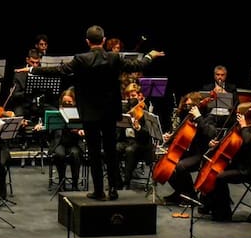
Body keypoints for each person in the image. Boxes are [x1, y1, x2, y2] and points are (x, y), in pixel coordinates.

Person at [31, 25, 164, 200]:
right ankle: (114, 190)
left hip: (90, 114)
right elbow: (136, 65)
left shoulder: (80, 59)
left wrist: (33, 69)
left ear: (87, 41)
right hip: (110, 112)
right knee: (111, 151)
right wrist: (150, 56)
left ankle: (99, 191)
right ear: (103, 40)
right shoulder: (114, 58)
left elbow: (58, 70)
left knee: (94, 153)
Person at [198, 103, 251, 221]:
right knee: (212, 173)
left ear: (246, 115)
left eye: (239, 113)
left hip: (247, 169)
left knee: (219, 177)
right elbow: (229, 143)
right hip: (235, 165)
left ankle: (224, 213)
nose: (236, 115)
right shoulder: (236, 127)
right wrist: (217, 144)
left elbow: (248, 141)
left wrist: (244, 126)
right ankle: (210, 206)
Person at [161, 92, 220, 205]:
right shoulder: (189, 116)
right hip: (189, 151)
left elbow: (211, 133)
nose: (187, 108)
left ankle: (191, 195)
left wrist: (199, 118)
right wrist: (171, 137)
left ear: (197, 105)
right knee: (167, 164)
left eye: (189, 106)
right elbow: (183, 134)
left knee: (180, 166)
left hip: (202, 153)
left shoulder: (208, 116)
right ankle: (180, 192)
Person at [117, 82, 155, 189]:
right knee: (113, 148)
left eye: (133, 96)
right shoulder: (124, 108)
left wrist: (138, 127)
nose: (130, 98)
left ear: (139, 96)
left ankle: (126, 182)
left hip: (141, 143)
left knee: (130, 150)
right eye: (128, 96)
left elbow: (148, 133)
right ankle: (117, 181)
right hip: (126, 140)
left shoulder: (144, 110)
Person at [50, 89, 84, 191]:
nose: (67, 104)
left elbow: (85, 127)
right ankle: (61, 182)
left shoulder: (80, 112)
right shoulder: (57, 113)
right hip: (60, 143)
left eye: (70, 102)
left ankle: (75, 184)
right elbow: (51, 129)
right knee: (59, 154)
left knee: (75, 154)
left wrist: (81, 131)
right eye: (65, 102)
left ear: (74, 101)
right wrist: (43, 126)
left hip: (74, 143)